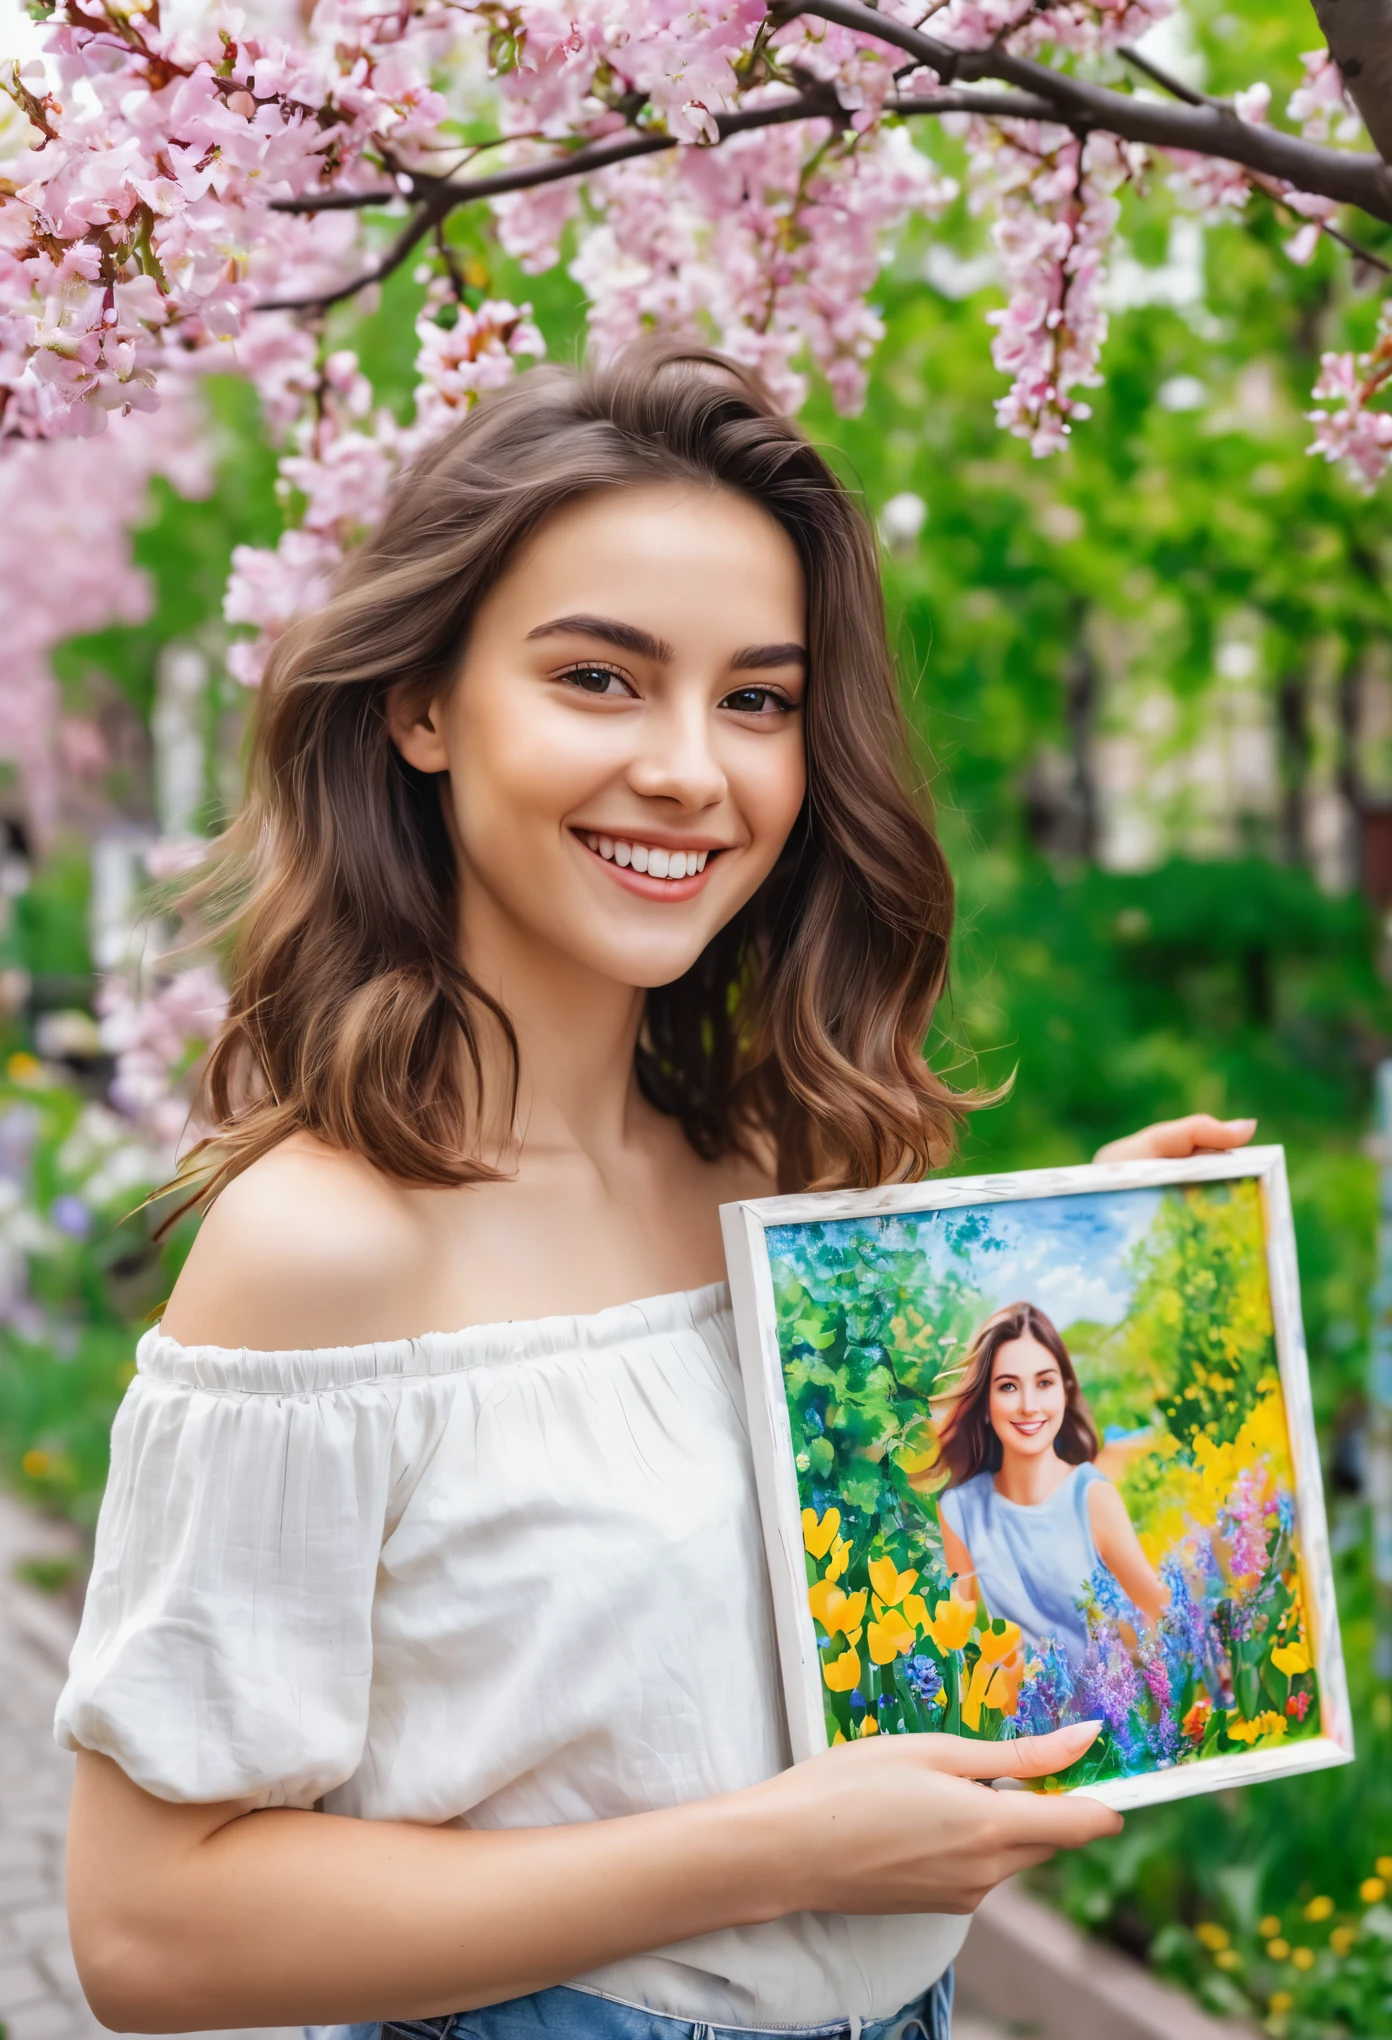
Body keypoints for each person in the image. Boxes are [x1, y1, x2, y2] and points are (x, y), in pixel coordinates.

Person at [57, 342, 1256, 2040]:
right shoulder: (324, 1248)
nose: (693, 769)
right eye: (601, 680)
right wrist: (769, 1853)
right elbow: (153, 1932)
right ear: (419, 708)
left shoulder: (769, 1168)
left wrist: (1075, 1253)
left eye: (755, 700)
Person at [937, 1302, 1167, 1669]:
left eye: (1044, 1383)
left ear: (1064, 1392)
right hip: (1018, 1721)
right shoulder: (960, 1510)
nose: (1029, 1406)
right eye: (1008, 1386)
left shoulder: (1091, 1497)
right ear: (984, 1403)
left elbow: (1163, 1613)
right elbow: (952, 1646)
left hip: (1103, 1716)